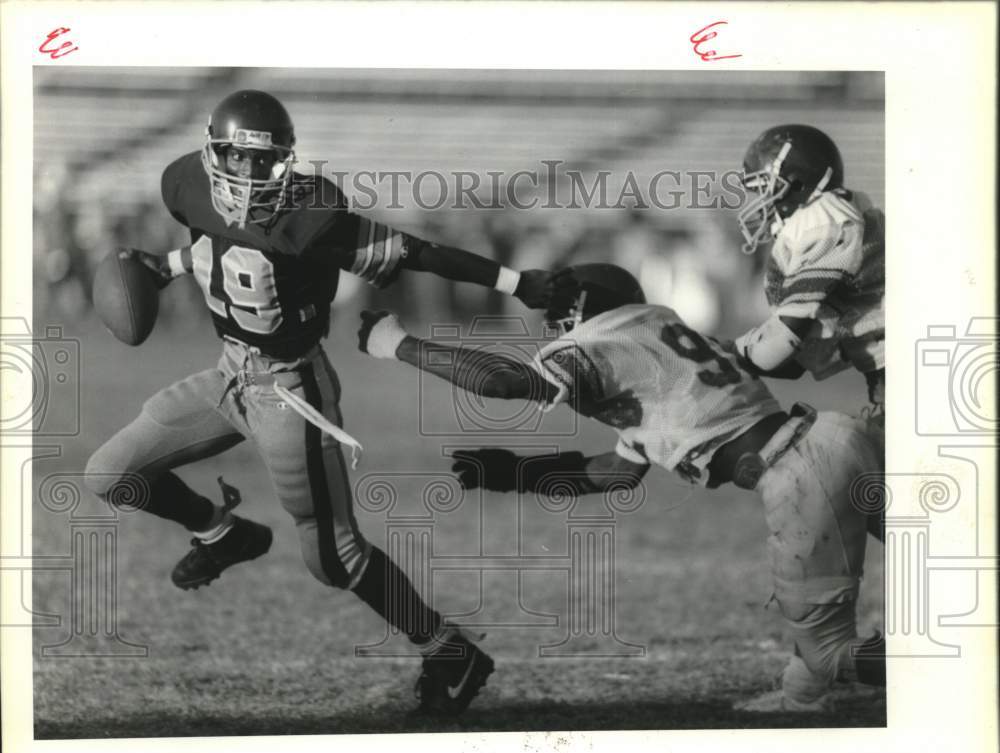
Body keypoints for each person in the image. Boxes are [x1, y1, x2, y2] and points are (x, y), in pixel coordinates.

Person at [85, 89, 573, 715]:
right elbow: (222, 240)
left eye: (265, 163)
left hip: (292, 393)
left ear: (287, 162)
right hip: (229, 375)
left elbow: (419, 252)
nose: (250, 175)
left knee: (334, 558)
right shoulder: (185, 184)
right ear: (213, 154)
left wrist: (517, 282)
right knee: (110, 473)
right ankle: (221, 532)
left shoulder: (313, 216)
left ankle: (450, 651)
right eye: (237, 160)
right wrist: (168, 265)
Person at [357, 263, 886, 712]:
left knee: (831, 655)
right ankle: (806, 693)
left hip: (800, 472)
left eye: (560, 315)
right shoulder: (656, 342)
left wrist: (399, 344)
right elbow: (618, 471)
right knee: (926, 562)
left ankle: (938, 669)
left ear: (585, 310)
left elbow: (502, 382)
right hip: (835, 437)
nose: (554, 327)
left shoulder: (608, 339)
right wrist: (516, 474)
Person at [733, 124, 885, 425]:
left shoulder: (823, 220)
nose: (763, 201)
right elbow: (800, 360)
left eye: (767, 188)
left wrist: (728, 354)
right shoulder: (835, 209)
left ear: (798, 184)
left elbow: (779, 346)